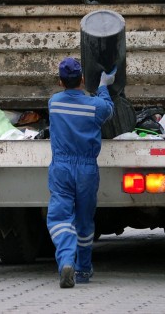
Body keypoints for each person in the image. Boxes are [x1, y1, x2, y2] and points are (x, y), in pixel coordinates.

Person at [46, 57, 115, 288]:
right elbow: (108, 110)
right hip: (86, 169)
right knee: (85, 221)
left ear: (60, 81)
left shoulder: (54, 103)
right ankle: (84, 269)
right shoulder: (95, 106)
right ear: (83, 79)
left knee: (60, 217)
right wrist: (104, 87)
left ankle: (66, 261)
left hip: (62, 168)